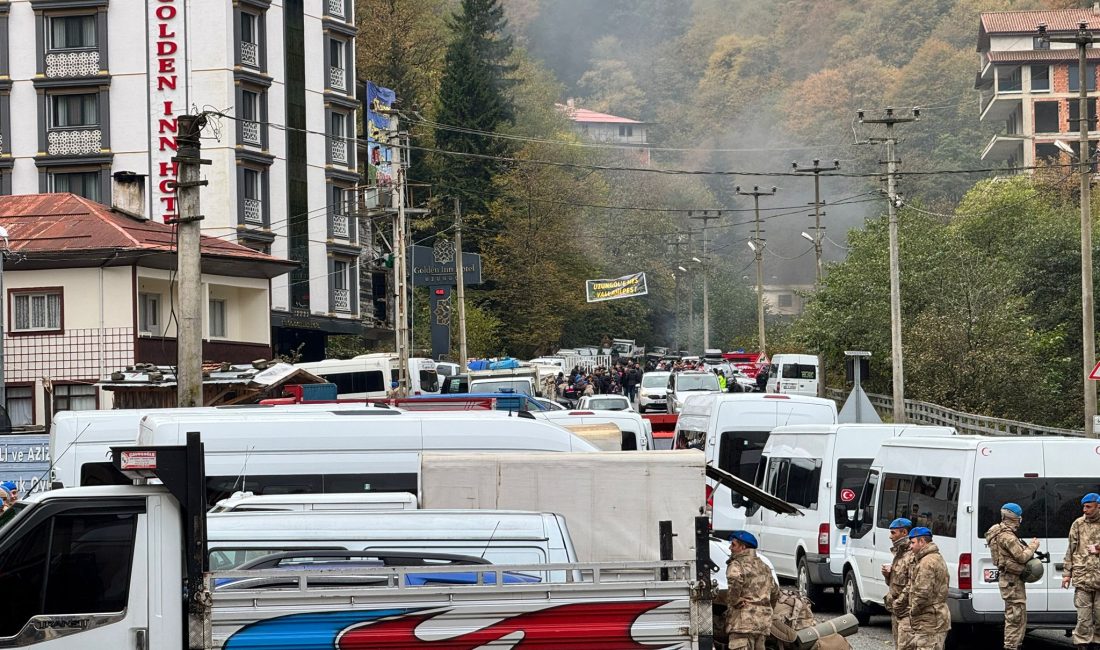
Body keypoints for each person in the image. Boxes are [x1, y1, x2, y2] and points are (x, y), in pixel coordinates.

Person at [985, 502, 1040, 650]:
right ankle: (1011, 646)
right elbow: (1022, 557)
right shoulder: (1007, 537)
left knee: (1015, 616)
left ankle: (1013, 645)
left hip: (1008, 580)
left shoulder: (995, 531)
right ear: (1015, 518)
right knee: (1015, 619)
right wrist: (1033, 546)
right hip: (1012, 582)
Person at [725, 530, 780, 650]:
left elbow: (734, 579)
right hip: (762, 625)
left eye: (733, 545)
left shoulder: (737, 564)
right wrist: (765, 608)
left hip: (742, 624)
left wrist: (735, 600)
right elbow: (775, 592)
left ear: (743, 547)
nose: (730, 548)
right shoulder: (764, 567)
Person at [1063, 492, 1100, 649]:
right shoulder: (1078, 524)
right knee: (1083, 617)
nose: (1085, 510)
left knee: (1099, 616)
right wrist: (1066, 574)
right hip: (1083, 577)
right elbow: (1070, 550)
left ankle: (1097, 643)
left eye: (1088, 507)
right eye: (1084, 507)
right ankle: (1081, 644)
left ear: (1098, 507)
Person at [905, 526, 950, 650]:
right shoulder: (936, 557)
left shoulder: (926, 562)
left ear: (922, 542)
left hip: (929, 620)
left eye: (913, 543)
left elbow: (922, 593)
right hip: (935, 617)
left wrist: (912, 610)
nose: (910, 546)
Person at [883, 517, 915, 649]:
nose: (890, 537)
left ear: (904, 533)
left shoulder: (912, 554)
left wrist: (898, 603)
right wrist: (888, 575)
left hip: (907, 612)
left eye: (893, 533)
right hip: (897, 611)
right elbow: (899, 581)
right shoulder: (899, 553)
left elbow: (912, 583)